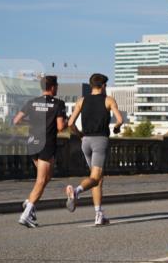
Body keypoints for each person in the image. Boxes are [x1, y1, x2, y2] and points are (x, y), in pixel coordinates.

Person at [63, 74, 123, 225]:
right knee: (95, 178)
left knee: (97, 179)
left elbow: (70, 123)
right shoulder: (108, 100)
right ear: (102, 85)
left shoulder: (81, 101)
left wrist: (80, 134)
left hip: (86, 142)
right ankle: (76, 192)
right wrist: (116, 128)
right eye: (106, 86)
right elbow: (120, 120)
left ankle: (99, 214)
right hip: (100, 141)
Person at [14, 75, 67, 228]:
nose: (57, 88)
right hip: (46, 144)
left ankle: (28, 202)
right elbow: (60, 127)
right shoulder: (58, 104)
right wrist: (67, 121)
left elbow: (16, 121)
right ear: (52, 87)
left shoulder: (31, 102)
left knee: (46, 177)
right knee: (42, 180)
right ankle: (27, 213)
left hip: (32, 143)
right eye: (56, 86)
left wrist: (31, 121)